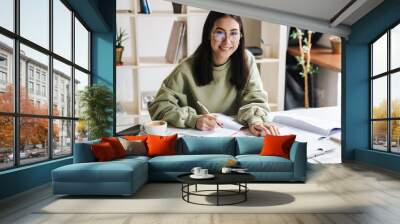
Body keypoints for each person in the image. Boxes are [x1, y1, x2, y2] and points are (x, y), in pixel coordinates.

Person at [148, 11, 279, 136]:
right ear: (208, 34)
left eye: (234, 33)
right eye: (220, 33)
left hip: (236, 136)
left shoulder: (247, 60)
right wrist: (193, 120)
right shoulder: (186, 68)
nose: (227, 41)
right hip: (200, 138)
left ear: (241, 36)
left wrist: (255, 121)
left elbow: (256, 97)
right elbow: (159, 107)